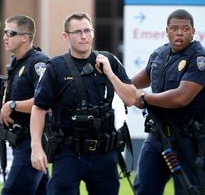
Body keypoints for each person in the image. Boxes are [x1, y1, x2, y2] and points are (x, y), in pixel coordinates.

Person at [30, 12, 136, 195]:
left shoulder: (109, 61)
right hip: (68, 153)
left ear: (93, 33)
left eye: (87, 30)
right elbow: (39, 108)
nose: (84, 36)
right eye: (77, 32)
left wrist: (110, 74)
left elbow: (131, 98)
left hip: (104, 153)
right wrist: (36, 147)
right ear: (66, 36)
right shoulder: (55, 67)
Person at [132, 9, 205, 195]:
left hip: (189, 140)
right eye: (175, 28)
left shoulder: (201, 59)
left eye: (185, 29)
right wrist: (115, 83)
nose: (179, 32)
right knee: (144, 189)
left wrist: (144, 99)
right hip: (158, 135)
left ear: (193, 31)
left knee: (189, 191)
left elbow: (181, 98)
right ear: (167, 30)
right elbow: (139, 80)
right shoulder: (159, 54)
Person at [0, 15, 49, 195]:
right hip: (20, 140)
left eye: (10, 33)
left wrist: (13, 105)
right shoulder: (16, 62)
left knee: (12, 191)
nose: (5, 37)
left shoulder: (38, 63)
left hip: (32, 141)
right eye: (5, 32)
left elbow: (47, 101)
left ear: (25, 37)